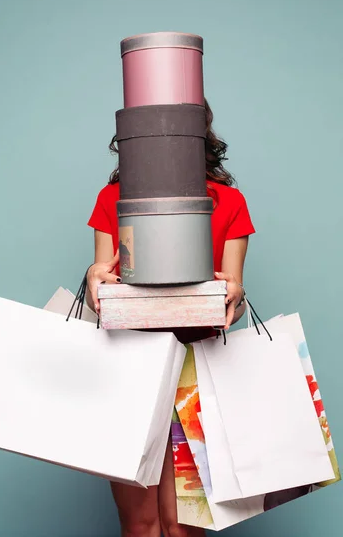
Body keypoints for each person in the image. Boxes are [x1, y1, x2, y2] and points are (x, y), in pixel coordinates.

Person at [86, 98, 255, 537]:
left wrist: (232, 296)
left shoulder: (230, 202)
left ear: (195, 133)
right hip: (127, 364)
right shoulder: (112, 198)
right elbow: (101, 294)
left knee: (186, 527)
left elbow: (231, 298)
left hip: (198, 369)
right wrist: (93, 280)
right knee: (140, 524)